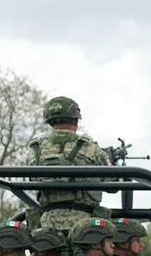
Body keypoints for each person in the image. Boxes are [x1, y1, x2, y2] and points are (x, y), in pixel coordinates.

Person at [26, 96, 112, 237]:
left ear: (49, 121)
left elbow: (32, 178)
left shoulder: (35, 149)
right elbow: (113, 184)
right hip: (85, 228)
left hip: (45, 227)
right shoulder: (90, 147)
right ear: (76, 120)